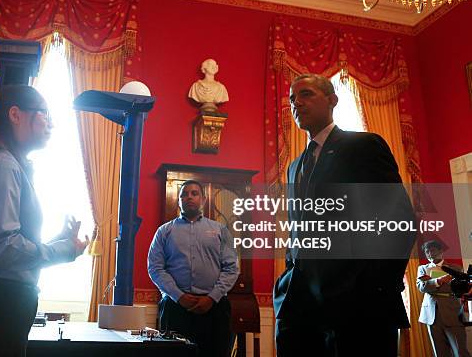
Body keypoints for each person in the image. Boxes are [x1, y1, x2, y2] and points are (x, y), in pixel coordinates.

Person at [273, 74, 416, 356]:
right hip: (298, 300)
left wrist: (377, 284)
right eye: (291, 99)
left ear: (332, 100)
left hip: (357, 303)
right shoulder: (294, 167)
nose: (296, 103)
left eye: (306, 94)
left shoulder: (363, 147)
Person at [0, 85, 88, 356]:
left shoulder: (10, 166)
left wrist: (60, 240)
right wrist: (63, 250)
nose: (51, 124)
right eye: (44, 114)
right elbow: (3, 248)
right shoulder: (3, 166)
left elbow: (9, 247)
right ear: (15, 114)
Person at [147, 180, 239, 357]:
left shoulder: (220, 230)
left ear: (203, 200)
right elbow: (155, 268)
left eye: (194, 193)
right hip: (175, 307)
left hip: (214, 309)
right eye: (184, 194)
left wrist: (212, 298)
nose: (189, 197)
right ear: (179, 200)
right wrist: (179, 296)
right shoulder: (164, 231)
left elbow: (232, 268)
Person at [417, 240, 470, 357]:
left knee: (460, 351)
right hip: (431, 314)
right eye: (427, 252)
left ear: (441, 251)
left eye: (432, 250)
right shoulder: (422, 269)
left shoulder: (456, 268)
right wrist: (439, 281)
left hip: (453, 311)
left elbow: (458, 288)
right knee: (440, 352)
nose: (430, 254)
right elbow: (422, 287)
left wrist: (431, 282)